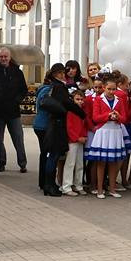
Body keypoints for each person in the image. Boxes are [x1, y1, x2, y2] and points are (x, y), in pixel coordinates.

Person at [38, 63, 85, 196]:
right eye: (61, 72)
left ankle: (49, 184)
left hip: (55, 123)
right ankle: (49, 185)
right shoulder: (59, 87)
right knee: (53, 155)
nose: (63, 74)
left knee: (52, 155)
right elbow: (68, 104)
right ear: (55, 74)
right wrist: (82, 113)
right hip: (57, 124)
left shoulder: (55, 86)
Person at [0, 47, 28, 174]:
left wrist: (17, 100)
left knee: (18, 138)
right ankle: (1, 163)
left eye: (6, 56)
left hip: (13, 111)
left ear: (10, 57)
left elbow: (24, 90)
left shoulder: (17, 72)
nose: (3, 59)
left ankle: (22, 163)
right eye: (1, 57)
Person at [88, 79, 129, 199]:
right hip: (103, 131)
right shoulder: (98, 99)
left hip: (116, 131)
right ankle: (100, 189)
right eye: (109, 89)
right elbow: (95, 117)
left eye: (114, 89)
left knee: (113, 162)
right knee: (101, 162)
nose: (111, 91)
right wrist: (108, 115)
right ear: (104, 88)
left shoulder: (119, 100)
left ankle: (112, 189)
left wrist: (117, 116)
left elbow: (125, 118)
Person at [60, 90, 88, 196]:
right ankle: (66, 186)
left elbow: (84, 126)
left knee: (80, 164)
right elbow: (69, 128)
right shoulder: (71, 112)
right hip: (73, 141)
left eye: (81, 99)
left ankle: (78, 184)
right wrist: (77, 138)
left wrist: (84, 136)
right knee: (70, 164)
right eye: (77, 99)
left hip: (80, 140)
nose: (80, 101)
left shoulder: (82, 111)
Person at [32, 73, 54, 191]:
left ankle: (43, 181)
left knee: (44, 153)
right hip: (44, 125)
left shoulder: (43, 88)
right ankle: (45, 181)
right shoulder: (47, 90)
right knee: (46, 153)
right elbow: (45, 104)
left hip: (40, 124)